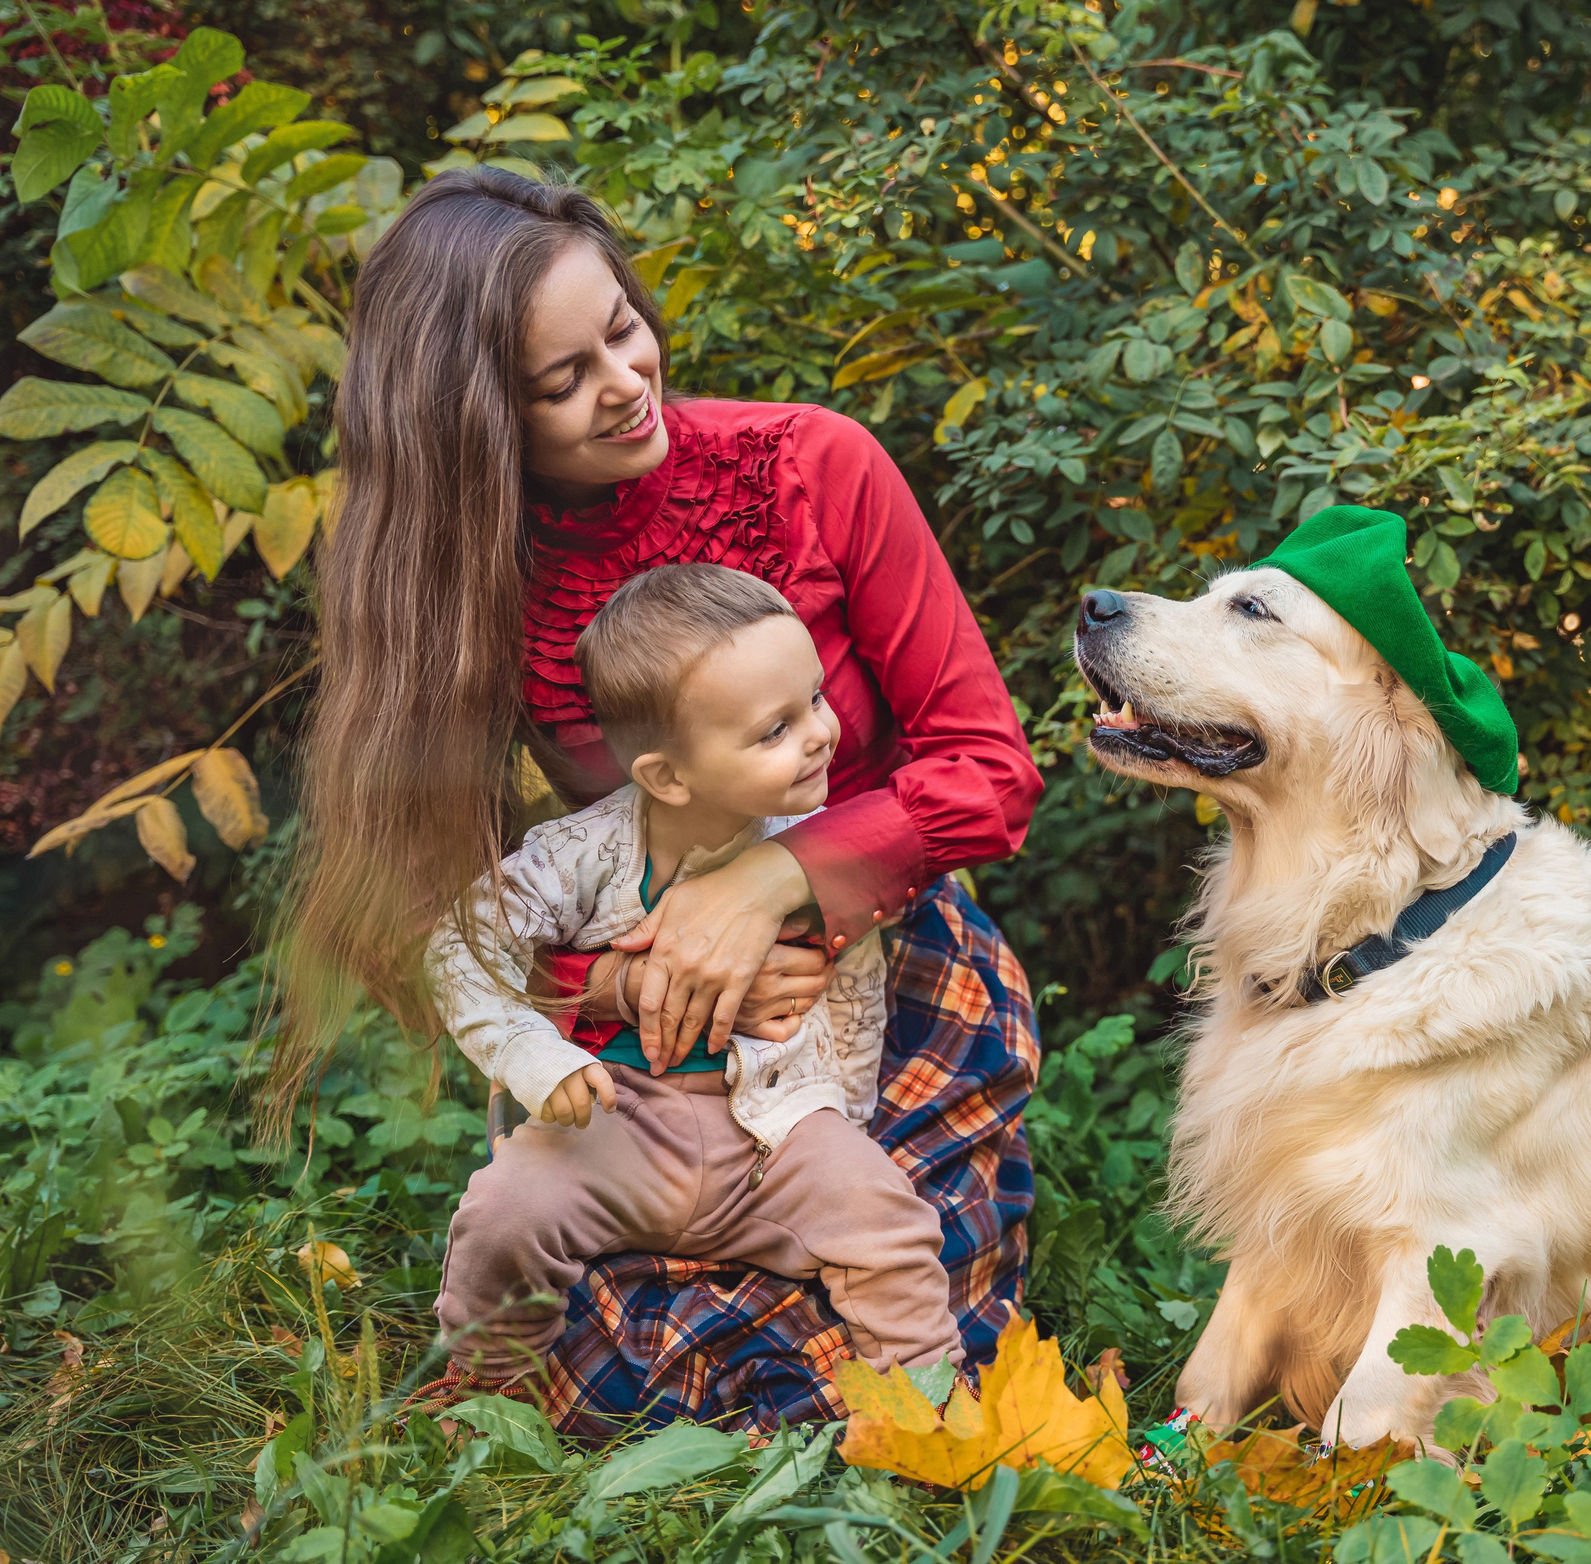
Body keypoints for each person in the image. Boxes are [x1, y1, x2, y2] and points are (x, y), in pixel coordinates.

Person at [276, 167, 1042, 1435]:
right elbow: (437, 918)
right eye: (560, 380)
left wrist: (773, 882)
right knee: (590, 1369)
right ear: (474, 422)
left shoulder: (811, 466)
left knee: (868, 1345)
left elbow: (987, 768)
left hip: (877, 984)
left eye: (623, 329)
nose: (626, 384)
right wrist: (615, 990)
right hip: (644, 1043)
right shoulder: (466, 579)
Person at [425, 566, 962, 1394]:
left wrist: (844, 1121)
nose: (820, 733)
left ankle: (929, 1410)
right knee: (503, 1215)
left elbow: (856, 988)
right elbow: (461, 944)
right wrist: (533, 1057)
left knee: (889, 1223)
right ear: (667, 776)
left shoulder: (819, 849)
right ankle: (480, 1401)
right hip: (620, 1118)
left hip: (776, 1131)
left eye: (815, 700)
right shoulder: (587, 853)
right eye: (773, 729)